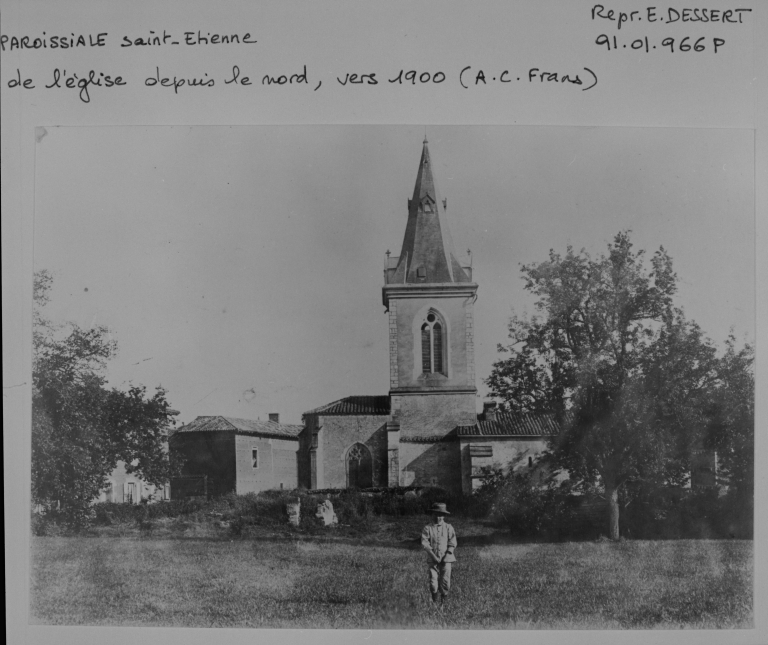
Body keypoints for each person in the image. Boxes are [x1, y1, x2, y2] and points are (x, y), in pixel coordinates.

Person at [420, 502, 457, 604]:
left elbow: (452, 541)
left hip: (446, 559)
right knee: (433, 582)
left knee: (445, 581)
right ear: (432, 515)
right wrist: (434, 556)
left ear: (444, 516)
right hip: (433, 559)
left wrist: (447, 554)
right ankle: (434, 602)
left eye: (440, 515)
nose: (438, 517)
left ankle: (443, 604)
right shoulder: (428, 528)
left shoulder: (448, 527)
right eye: (435, 514)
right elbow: (425, 543)